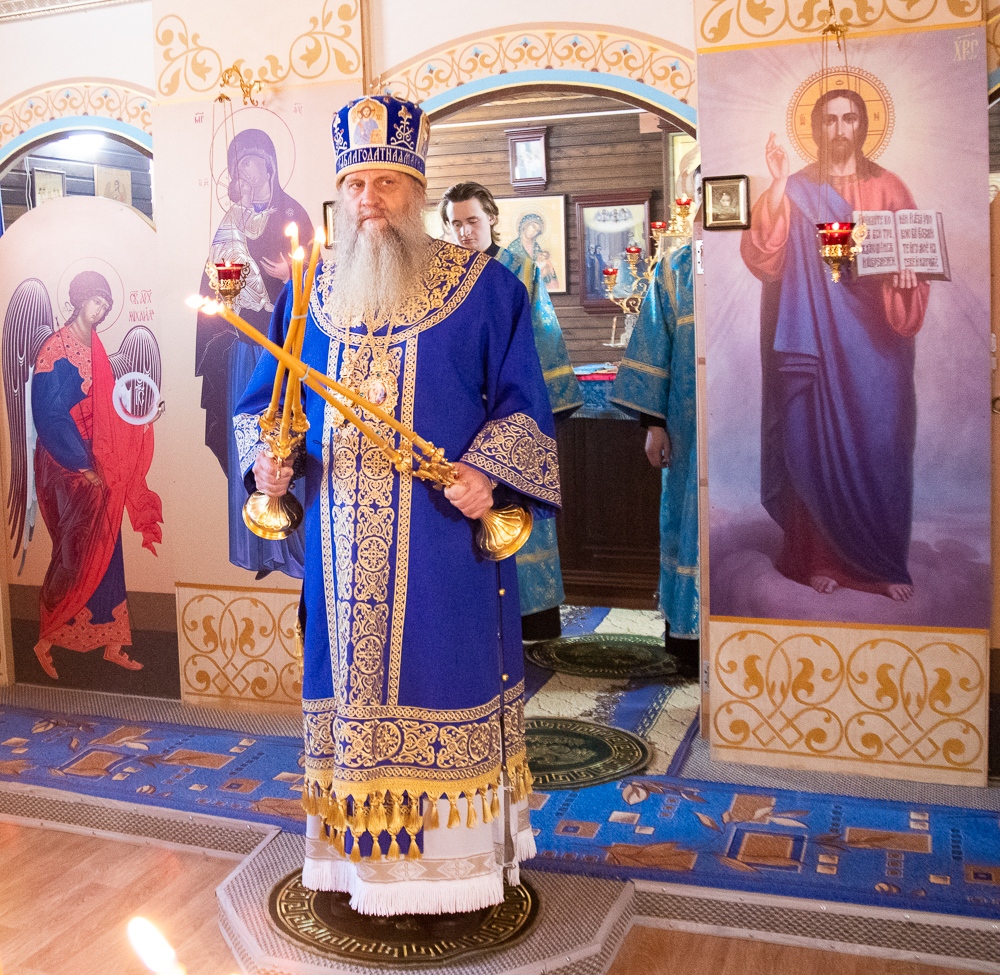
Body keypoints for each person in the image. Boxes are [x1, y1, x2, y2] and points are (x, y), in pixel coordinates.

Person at [235, 95, 559, 915]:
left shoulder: (486, 290)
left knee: (446, 683)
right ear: (339, 194)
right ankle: (355, 871)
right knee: (347, 700)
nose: (369, 199)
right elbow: (266, 406)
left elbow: (524, 405)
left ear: (417, 191)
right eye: (355, 183)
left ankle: (460, 875)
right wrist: (268, 463)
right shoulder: (308, 294)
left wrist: (487, 473)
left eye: (386, 182)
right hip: (338, 559)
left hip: (443, 549)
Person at [740, 88, 928, 601]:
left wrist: (906, 278)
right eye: (830, 120)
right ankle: (818, 559)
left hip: (876, 348)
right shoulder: (799, 189)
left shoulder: (888, 187)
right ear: (817, 128)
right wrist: (779, 183)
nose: (840, 129)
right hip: (814, 341)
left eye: (849, 119)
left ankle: (882, 563)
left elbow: (915, 254)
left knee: (881, 446)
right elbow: (766, 253)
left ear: (863, 125)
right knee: (814, 441)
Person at [440, 181, 582, 640]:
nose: (464, 232)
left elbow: (543, 339)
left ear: (492, 220)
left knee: (520, 512)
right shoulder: (441, 278)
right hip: (463, 424)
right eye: (456, 224)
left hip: (515, 409)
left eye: (472, 221)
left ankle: (535, 623)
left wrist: (543, 414)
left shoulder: (520, 269)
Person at [30, 271, 163, 679]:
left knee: (108, 546)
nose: (101, 310)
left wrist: (142, 417)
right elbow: (49, 416)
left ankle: (112, 642)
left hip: (98, 456)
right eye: (96, 302)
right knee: (74, 551)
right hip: (66, 463)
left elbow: (109, 410)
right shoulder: (55, 348)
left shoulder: (98, 348)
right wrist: (81, 465)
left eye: (106, 305)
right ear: (79, 300)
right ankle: (46, 638)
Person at [195, 128, 311, 580]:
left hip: (285, 350)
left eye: (251, 162)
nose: (244, 172)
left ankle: (293, 547)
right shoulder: (232, 220)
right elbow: (218, 280)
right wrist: (226, 291)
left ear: (269, 165)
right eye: (238, 165)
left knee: (288, 441)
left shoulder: (292, 214)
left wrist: (289, 276)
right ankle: (256, 548)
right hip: (245, 350)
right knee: (248, 440)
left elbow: (317, 281)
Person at [609, 245, 699, 680]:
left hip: (751, 424)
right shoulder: (675, 268)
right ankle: (689, 641)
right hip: (689, 426)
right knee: (687, 517)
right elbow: (653, 346)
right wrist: (654, 424)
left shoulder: (768, 257)